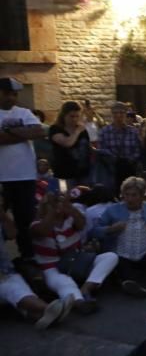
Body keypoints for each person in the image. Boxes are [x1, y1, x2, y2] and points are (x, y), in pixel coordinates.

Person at [32, 192, 118, 314]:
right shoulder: (36, 225)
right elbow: (44, 231)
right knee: (64, 282)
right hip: (52, 268)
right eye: (53, 204)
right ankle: (80, 302)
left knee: (110, 257)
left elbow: (82, 224)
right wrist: (51, 211)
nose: (57, 206)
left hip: (77, 262)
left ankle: (85, 289)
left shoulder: (70, 220)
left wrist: (68, 205)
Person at [94, 176, 146, 296]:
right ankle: (132, 285)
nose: (129, 199)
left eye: (134, 195)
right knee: (120, 263)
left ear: (143, 196)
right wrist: (111, 229)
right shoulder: (112, 210)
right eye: (126, 195)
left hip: (145, 253)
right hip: (122, 254)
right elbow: (94, 231)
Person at [0, 200, 70, 329]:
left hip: (6, 272)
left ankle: (43, 315)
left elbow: (12, 234)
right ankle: (46, 308)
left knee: (19, 289)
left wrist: (3, 215)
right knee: (11, 289)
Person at [0, 77, 44, 259]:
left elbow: (39, 131)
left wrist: (8, 132)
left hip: (25, 177)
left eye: (14, 94)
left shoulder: (24, 112)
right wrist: (23, 133)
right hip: (2, 178)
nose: (11, 98)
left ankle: (27, 257)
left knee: (25, 220)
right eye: (7, 94)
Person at [98, 102, 143, 190]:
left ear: (125, 114)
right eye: (115, 113)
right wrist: (113, 159)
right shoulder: (104, 131)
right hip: (111, 171)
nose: (118, 115)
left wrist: (130, 160)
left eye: (121, 113)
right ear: (112, 114)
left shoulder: (133, 131)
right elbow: (101, 150)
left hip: (130, 169)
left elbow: (138, 149)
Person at [49, 100, 94, 187]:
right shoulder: (55, 129)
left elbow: (86, 146)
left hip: (84, 174)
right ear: (63, 115)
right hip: (65, 174)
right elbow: (68, 143)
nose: (74, 119)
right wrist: (77, 131)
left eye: (77, 116)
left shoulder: (82, 130)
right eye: (71, 116)